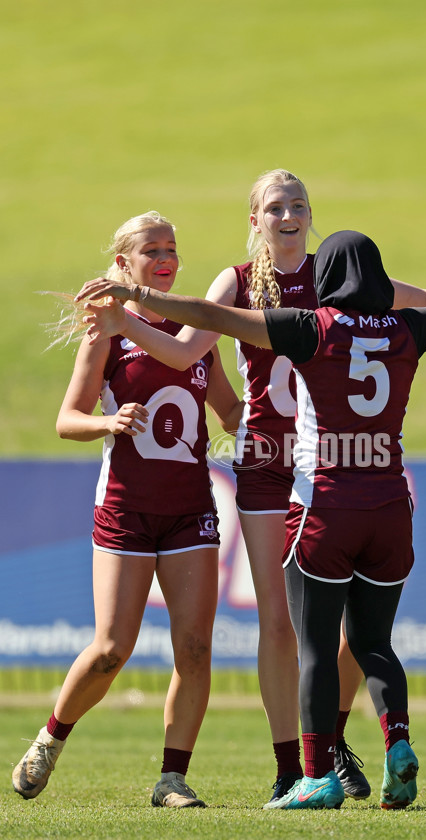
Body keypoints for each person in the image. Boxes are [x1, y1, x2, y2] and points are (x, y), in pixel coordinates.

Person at [78, 170, 426, 806]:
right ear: (255, 220)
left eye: (298, 205)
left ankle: (325, 749)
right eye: (275, 206)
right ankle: (293, 765)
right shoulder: (240, 280)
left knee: (341, 632)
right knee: (283, 623)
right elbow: (187, 348)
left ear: (311, 216)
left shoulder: (336, 280)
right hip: (270, 462)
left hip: (325, 468)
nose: (288, 215)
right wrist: (127, 315)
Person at [12, 212, 243, 809]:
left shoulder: (197, 334)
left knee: (194, 648)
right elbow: (67, 420)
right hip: (125, 510)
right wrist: (107, 422)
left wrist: (286, 412)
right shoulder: (107, 334)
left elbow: (231, 413)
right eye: (151, 250)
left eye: (172, 249)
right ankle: (51, 737)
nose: (166, 259)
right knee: (113, 648)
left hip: (191, 509)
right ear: (124, 264)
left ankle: (173, 778)